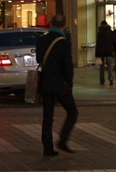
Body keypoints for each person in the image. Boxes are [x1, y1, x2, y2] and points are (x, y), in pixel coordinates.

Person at [37, 14, 78, 157]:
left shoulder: (41, 40)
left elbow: (39, 59)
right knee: (72, 111)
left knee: (47, 116)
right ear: (64, 26)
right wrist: (69, 83)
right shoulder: (64, 43)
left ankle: (47, 148)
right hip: (60, 84)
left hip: (46, 82)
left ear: (51, 24)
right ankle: (63, 140)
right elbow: (68, 66)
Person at [95, 20, 115, 86]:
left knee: (101, 66)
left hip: (101, 52)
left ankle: (102, 80)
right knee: (109, 66)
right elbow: (114, 41)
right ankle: (111, 78)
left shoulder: (99, 33)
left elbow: (98, 44)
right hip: (109, 51)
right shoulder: (111, 33)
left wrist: (97, 54)